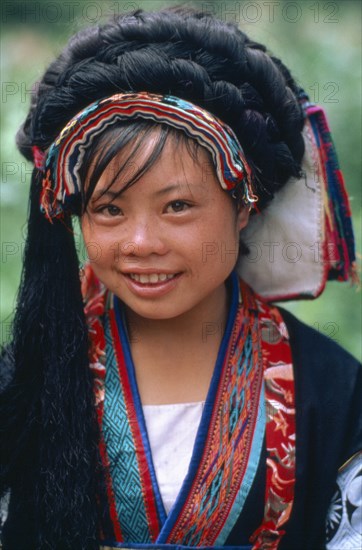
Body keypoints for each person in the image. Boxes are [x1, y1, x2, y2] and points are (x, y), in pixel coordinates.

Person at [0, 7, 361, 550]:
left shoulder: (332, 390)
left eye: (177, 206)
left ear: (244, 206)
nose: (141, 243)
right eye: (110, 210)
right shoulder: (22, 383)